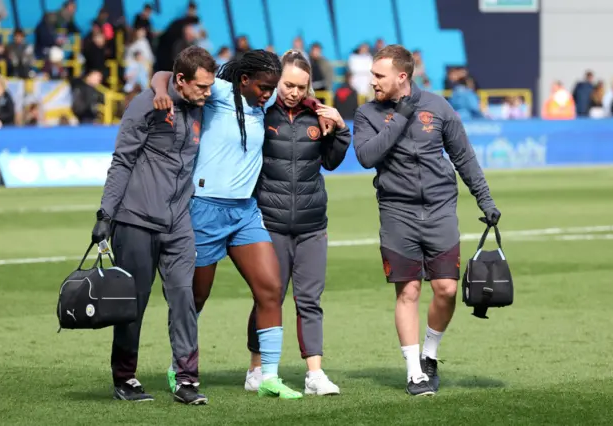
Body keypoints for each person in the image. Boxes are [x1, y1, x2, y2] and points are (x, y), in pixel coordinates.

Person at [151, 49, 334, 399]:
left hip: (246, 212)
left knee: (270, 287)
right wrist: (161, 91)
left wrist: (324, 112)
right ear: (245, 80)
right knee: (197, 297)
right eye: (264, 87)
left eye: (272, 88)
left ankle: (267, 376)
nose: (269, 94)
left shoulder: (264, 105)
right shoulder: (219, 92)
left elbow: (300, 95)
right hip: (204, 209)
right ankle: (179, 366)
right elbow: (164, 73)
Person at [352, 45, 501, 396]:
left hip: (440, 210)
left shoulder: (438, 107)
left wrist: (486, 198)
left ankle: (429, 354)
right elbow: (366, 156)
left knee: (447, 289)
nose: (371, 81)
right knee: (409, 291)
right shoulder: (366, 114)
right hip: (396, 213)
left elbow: (464, 157)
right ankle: (414, 372)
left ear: (401, 76)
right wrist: (401, 115)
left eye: (378, 75)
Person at [91, 46, 216, 405]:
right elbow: (122, 161)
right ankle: (125, 377)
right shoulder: (146, 105)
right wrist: (105, 215)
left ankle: (187, 378)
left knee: (183, 299)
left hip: (178, 222)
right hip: (135, 220)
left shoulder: (197, 102)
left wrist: (163, 84)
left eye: (209, 87)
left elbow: (165, 74)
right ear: (181, 80)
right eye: (202, 87)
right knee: (133, 303)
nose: (208, 93)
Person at [243, 50, 351, 396]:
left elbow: (332, 162)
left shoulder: (316, 116)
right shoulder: (259, 113)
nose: (293, 91)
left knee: (310, 299)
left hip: (312, 224)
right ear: (277, 81)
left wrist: (340, 131)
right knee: (267, 296)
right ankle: (256, 367)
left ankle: (314, 375)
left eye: (301, 87)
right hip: (269, 223)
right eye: (288, 84)